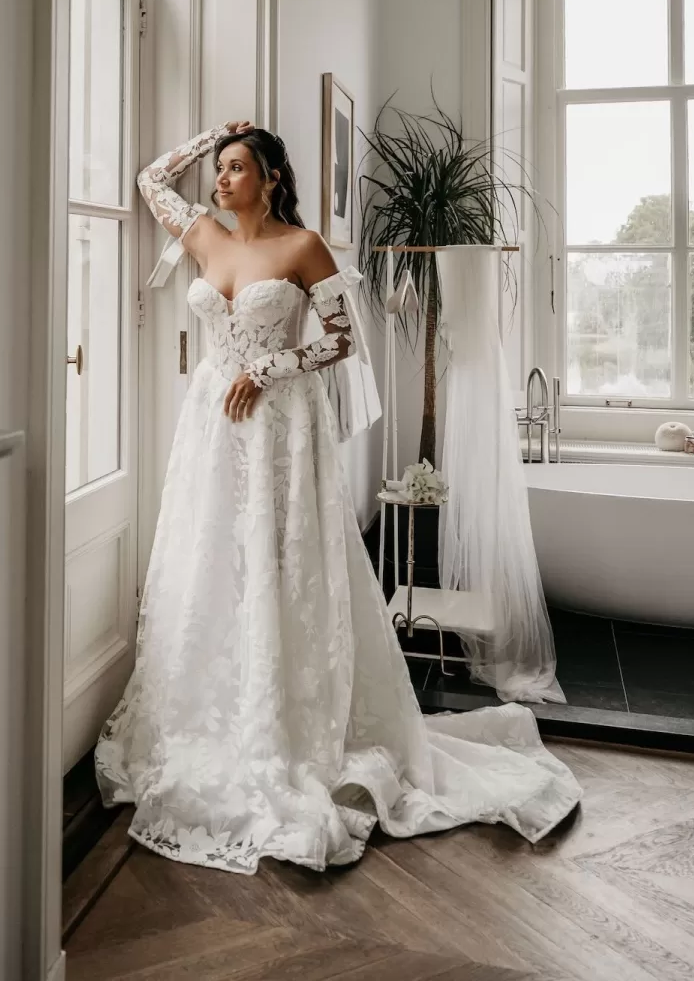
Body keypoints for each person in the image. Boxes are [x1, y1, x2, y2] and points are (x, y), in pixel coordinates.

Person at [95, 122, 580, 874]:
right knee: (212, 560)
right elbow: (149, 180)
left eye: (235, 168)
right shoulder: (203, 235)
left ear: (271, 178)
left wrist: (270, 366)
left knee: (279, 559)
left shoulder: (302, 246)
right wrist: (207, 136)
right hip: (210, 432)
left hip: (278, 425)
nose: (220, 181)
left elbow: (339, 338)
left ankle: (287, 721)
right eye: (219, 170)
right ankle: (216, 712)